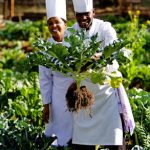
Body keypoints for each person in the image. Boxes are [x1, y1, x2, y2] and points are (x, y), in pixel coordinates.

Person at [67, 0, 135, 149]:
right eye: (79, 15)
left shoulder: (105, 28)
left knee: (114, 139)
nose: (83, 18)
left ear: (93, 12)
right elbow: (68, 62)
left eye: (86, 14)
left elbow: (115, 54)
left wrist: (97, 58)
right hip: (84, 95)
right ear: (75, 15)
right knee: (83, 141)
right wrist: (81, 64)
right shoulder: (70, 32)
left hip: (106, 94)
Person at [39, 0, 74, 149]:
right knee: (58, 130)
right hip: (57, 95)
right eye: (50, 23)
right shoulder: (45, 48)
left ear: (65, 24)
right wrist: (46, 105)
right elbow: (45, 79)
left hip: (77, 91)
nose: (53, 26)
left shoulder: (75, 41)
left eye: (57, 22)